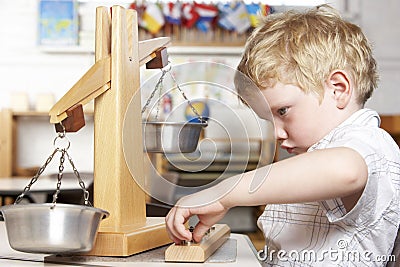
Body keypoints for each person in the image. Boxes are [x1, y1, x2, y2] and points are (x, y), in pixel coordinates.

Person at [165, 5, 400, 266]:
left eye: (283, 111)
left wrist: (224, 193)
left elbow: (346, 170)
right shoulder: (319, 154)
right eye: (269, 119)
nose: (276, 133)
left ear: (338, 89)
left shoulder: (368, 142)